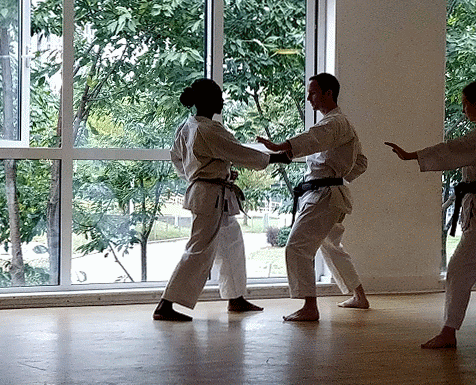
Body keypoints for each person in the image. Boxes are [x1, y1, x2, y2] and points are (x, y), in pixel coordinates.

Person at [385, 81, 476, 349]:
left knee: (458, 270)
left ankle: (449, 331)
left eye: (465, 104)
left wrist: (412, 156)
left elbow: (453, 150)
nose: (463, 109)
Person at [154, 78, 290, 322]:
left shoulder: (188, 126)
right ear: (207, 100)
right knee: (199, 249)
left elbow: (178, 158)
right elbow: (239, 152)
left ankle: (235, 297)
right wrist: (276, 158)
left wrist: (208, 173)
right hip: (209, 196)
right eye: (219, 97)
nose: (222, 101)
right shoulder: (207, 130)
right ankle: (165, 304)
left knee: (231, 244)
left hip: (211, 192)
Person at [257, 73, 370, 322]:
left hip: (324, 196)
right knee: (331, 246)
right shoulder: (341, 124)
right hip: (330, 194)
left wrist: (281, 145)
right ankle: (359, 296)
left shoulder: (335, 122)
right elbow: (361, 162)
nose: (309, 98)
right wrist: (340, 174)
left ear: (328, 93)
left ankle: (310, 306)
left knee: (297, 247)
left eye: (313, 93)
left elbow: (313, 139)